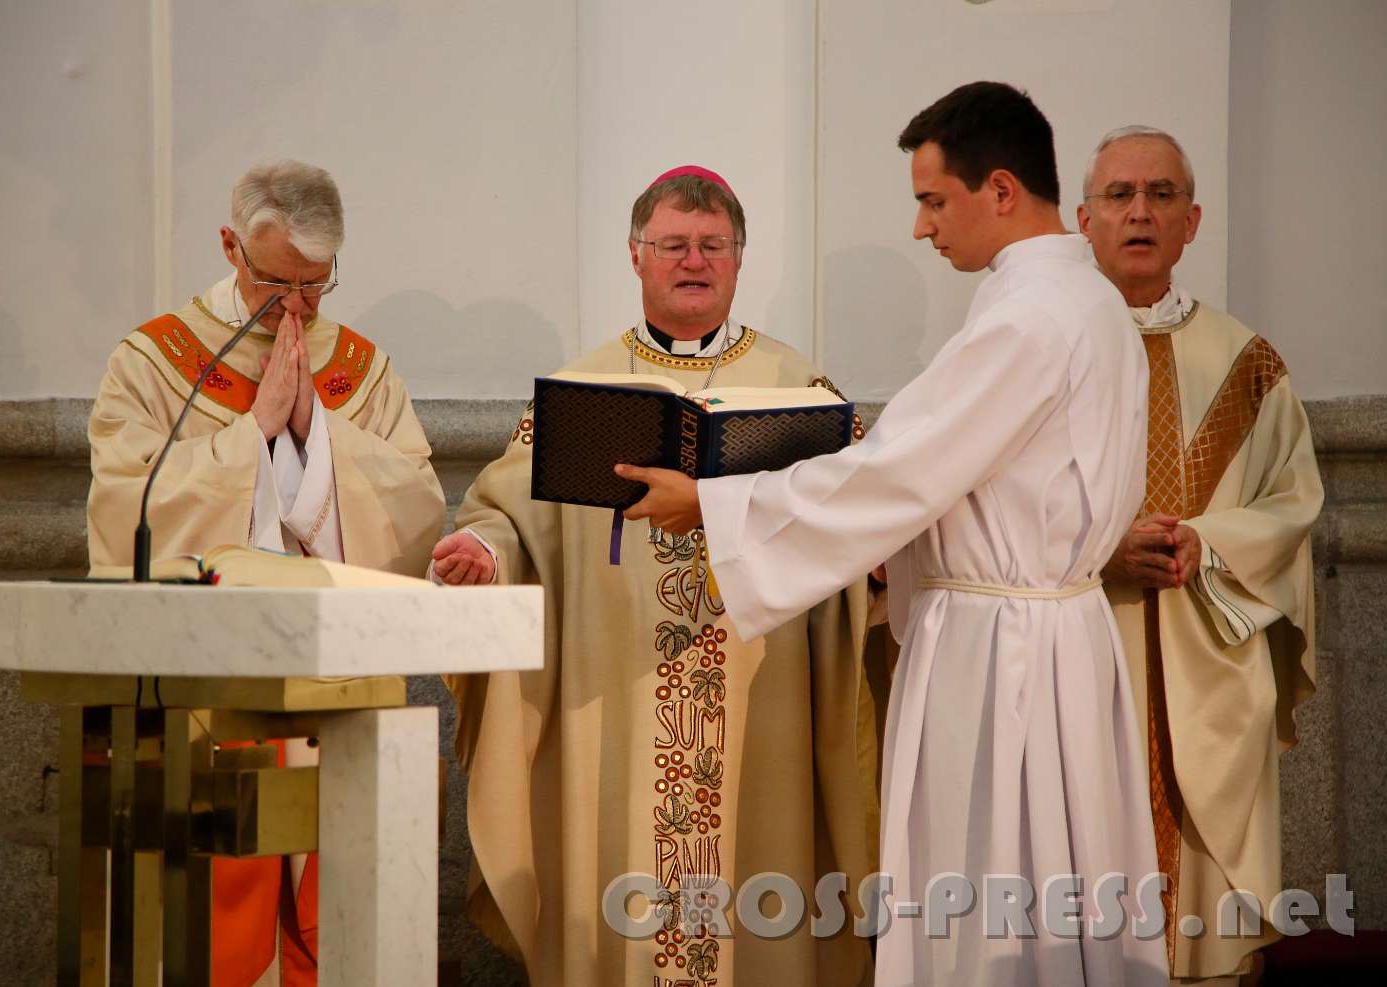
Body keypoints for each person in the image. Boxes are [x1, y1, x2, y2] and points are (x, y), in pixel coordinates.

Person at [621, 83, 1171, 986]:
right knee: (1059, 887)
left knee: (994, 888)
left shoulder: (1027, 318)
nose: (922, 229)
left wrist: (713, 506)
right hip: (1057, 636)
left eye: (931, 200)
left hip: (1003, 661)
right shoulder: (1089, 301)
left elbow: (898, 472)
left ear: (999, 190)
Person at [432, 166, 881, 986]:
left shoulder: (801, 392)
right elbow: (509, 507)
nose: (693, 261)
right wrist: (486, 553)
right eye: (673, 244)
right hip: (615, 699)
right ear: (635, 256)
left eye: (713, 246)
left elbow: (859, 514)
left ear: (739, 261)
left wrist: (875, 560)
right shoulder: (581, 390)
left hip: (762, 697)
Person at [86, 159, 447, 986]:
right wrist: (253, 432)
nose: (294, 307)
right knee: (211, 924)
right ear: (229, 246)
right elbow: (124, 510)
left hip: (333, 692)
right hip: (200, 694)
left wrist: (317, 429)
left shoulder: (362, 369)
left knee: (337, 917)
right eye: (275, 281)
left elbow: (418, 503)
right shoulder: (152, 363)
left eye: (314, 287)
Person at [1079, 126, 1320, 986]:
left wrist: (1205, 544)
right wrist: (1099, 552)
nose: (1140, 211)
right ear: (1084, 219)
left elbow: (1295, 504)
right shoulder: (1044, 353)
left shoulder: (1247, 361)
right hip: (1084, 642)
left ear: (1193, 220)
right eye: (1119, 195)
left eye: (1162, 194)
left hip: (1206, 649)